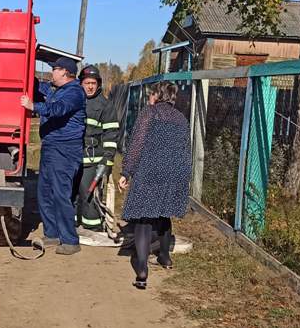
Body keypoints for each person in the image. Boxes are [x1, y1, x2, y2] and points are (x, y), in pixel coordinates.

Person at [117, 81, 191, 289]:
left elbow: (137, 143)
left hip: (150, 170)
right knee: (163, 213)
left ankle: (141, 269)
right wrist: (183, 176)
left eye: (151, 94)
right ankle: (165, 258)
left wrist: (126, 172)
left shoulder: (150, 113)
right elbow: (186, 149)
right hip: (174, 171)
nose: (149, 98)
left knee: (143, 218)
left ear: (157, 95)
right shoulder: (181, 119)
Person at [21, 57, 86, 255]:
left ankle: (70, 240)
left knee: (60, 194)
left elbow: (58, 109)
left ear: (65, 72)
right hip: (51, 148)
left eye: (55, 70)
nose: (52, 73)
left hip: (65, 151)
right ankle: (53, 233)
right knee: (45, 193)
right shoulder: (59, 90)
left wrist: (34, 107)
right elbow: (43, 91)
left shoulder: (74, 92)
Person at [75, 65, 121, 238]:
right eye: (87, 83)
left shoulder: (105, 105)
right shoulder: (74, 100)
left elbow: (111, 134)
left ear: (98, 84)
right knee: (70, 194)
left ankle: (92, 228)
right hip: (72, 157)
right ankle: (71, 224)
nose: (90, 86)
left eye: (93, 83)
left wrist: (106, 162)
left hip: (92, 160)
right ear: (81, 83)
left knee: (88, 195)